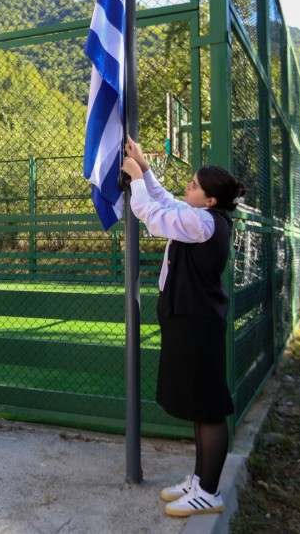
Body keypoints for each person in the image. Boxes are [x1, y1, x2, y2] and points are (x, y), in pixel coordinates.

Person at [120, 138, 247, 518]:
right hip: (188, 319)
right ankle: (200, 480)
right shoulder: (201, 215)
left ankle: (209, 492)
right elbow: (167, 201)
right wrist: (144, 167)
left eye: (194, 185)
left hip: (197, 323)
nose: (187, 187)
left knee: (207, 408)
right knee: (199, 403)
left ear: (209, 200)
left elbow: (152, 214)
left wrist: (136, 178)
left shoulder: (203, 223)